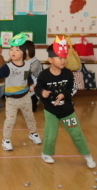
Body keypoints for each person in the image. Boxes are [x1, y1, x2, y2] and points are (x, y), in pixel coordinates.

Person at [35, 36, 96, 168]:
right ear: (50, 59)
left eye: (65, 57)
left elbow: (73, 89)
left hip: (67, 111)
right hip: (51, 111)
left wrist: (64, 94)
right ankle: (46, 153)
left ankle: (87, 155)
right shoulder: (44, 75)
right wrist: (42, 92)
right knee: (50, 135)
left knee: (77, 134)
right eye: (60, 58)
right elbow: (38, 87)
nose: (63, 60)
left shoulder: (68, 73)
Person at [0, 33, 42, 151]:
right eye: (11, 49)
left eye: (17, 49)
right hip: (11, 99)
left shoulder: (27, 65)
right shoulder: (8, 66)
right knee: (10, 120)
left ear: (24, 53)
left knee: (30, 117)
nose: (13, 52)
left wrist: (31, 83)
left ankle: (33, 133)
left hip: (25, 97)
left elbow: (27, 76)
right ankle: (6, 139)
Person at [24, 40, 42, 112]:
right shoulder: (22, 60)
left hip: (34, 87)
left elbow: (29, 71)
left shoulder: (35, 61)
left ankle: (35, 100)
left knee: (31, 109)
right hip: (25, 86)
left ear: (28, 50)